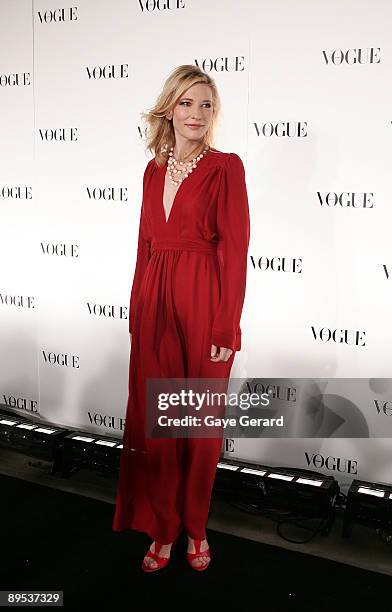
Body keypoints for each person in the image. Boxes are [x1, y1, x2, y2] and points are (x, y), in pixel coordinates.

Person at [112, 64, 250, 572]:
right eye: (187, 103)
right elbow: (145, 244)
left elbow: (236, 251)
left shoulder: (225, 167)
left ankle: (196, 526)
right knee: (161, 426)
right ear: (170, 107)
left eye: (206, 105)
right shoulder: (153, 169)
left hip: (203, 301)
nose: (196, 114)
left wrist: (225, 327)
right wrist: (137, 305)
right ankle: (163, 528)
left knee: (198, 424)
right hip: (155, 303)